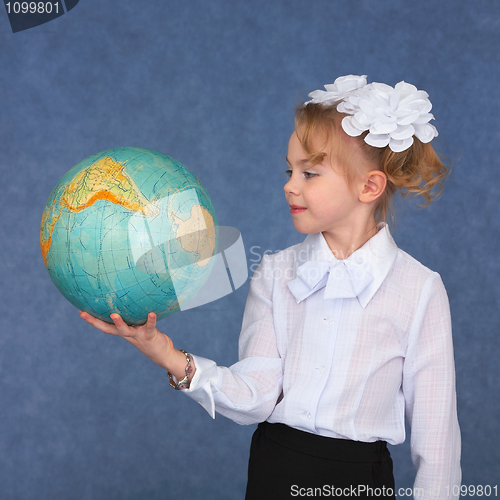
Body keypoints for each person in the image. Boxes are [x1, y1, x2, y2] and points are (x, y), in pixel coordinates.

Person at [80, 75, 461, 499]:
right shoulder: (275, 273)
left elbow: (437, 441)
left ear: (369, 186)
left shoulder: (420, 289)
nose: (289, 185)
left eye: (309, 173)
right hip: (274, 473)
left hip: (361, 481)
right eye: (289, 169)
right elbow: (257, 395)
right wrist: (165, 353)